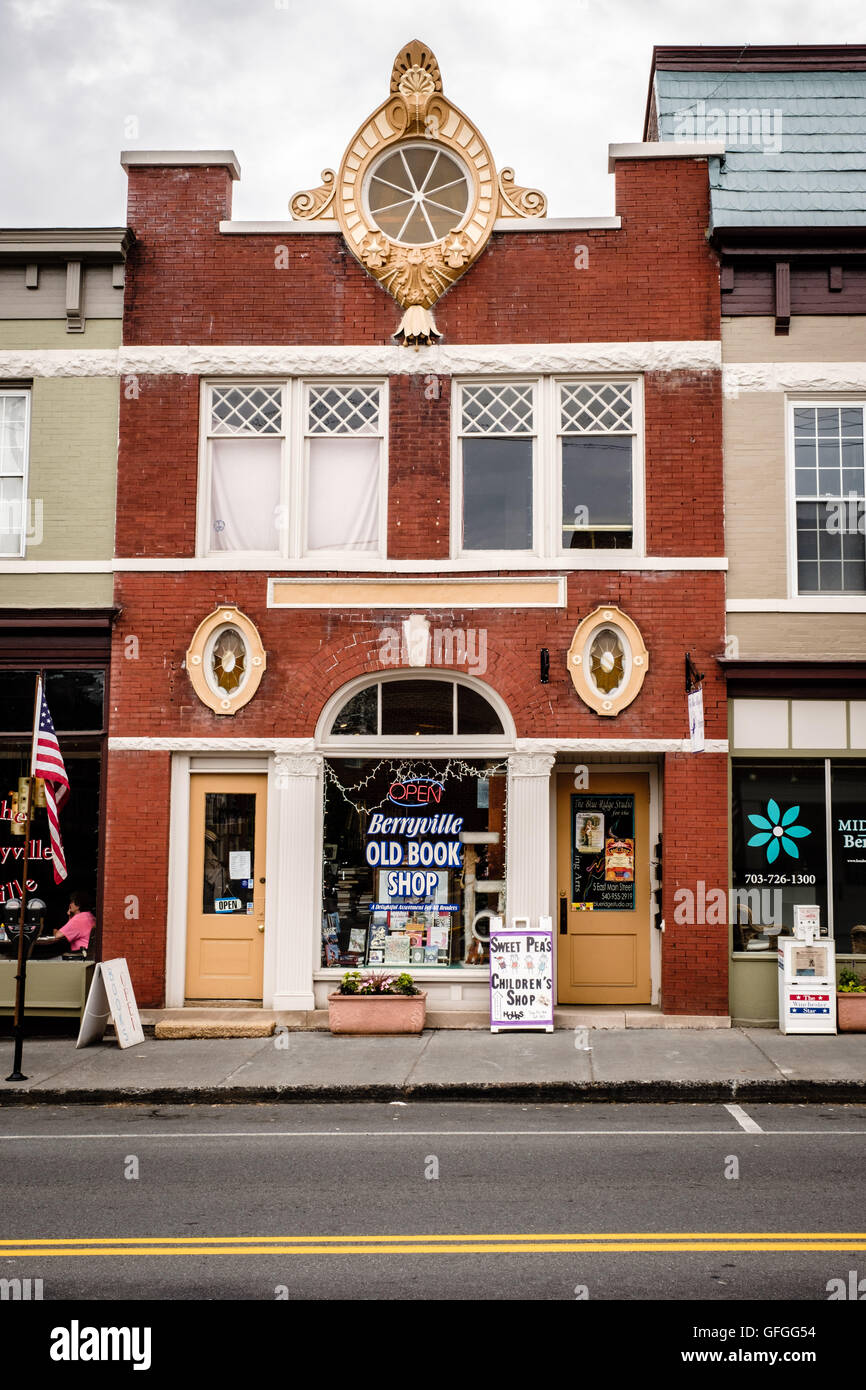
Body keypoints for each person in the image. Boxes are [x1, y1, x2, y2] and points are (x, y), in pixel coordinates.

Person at [49, 890, 96, 954]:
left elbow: (57, 935)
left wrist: (70, 917)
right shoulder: (89, 915)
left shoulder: (78, 919)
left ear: (78, 906)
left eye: (71, 902)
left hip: (79, 954)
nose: (70, 904)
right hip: (88, 953)